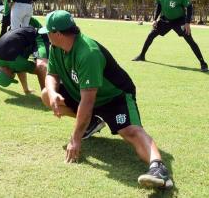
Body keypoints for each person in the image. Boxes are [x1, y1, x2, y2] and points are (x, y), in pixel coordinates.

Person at [39, 10, 173, 189]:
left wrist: (75, 138)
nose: (46, 35)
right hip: (85, 94)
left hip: (114, 97)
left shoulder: (88, 53)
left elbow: (88, 101)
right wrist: (53, 92)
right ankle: (93, 122)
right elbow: (51, 74)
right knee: (46, 95)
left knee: (130, 131)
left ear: (57, 33)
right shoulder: (56, 47)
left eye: (48, 32)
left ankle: (159, 169)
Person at [133, 0, 208, 72]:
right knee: (151, 35)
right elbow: (159, 6)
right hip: (166, 20)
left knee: (190, 40)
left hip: (179, 20)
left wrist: (187, 23)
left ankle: (203, 63)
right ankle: (142, 55)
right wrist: (155, 19)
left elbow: (189, 7)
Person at [0, 25, 49, 93]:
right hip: (22, 33)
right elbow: (19, 69)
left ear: (8, 74)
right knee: (22, 63)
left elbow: (39, 69)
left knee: (42, 65)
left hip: (38, 36)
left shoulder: (16, 64)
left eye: (11, 78)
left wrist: (44, 92)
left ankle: (46, 93)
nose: (13, 76)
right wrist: (26, 89)